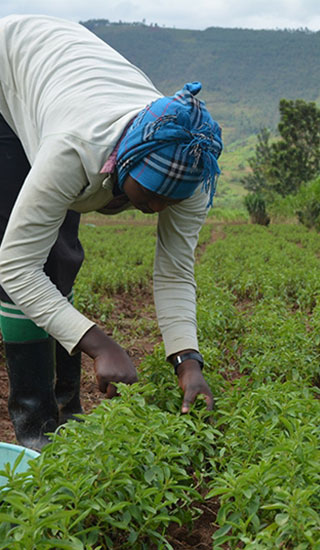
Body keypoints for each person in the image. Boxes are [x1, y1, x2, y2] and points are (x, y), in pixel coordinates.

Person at [0, 15, 223, 449]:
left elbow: (175, 272)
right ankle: (35, 427)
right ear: (122, 160)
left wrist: (187, 361)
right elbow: (14, 265)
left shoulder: (192, 165)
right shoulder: (74, 147)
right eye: (148, 196)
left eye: (168, 202)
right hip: (7, 74)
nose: (156, 209)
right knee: (27, 260)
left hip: (66, 85)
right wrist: (102, 346)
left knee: (60, 260)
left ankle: (69, 411)